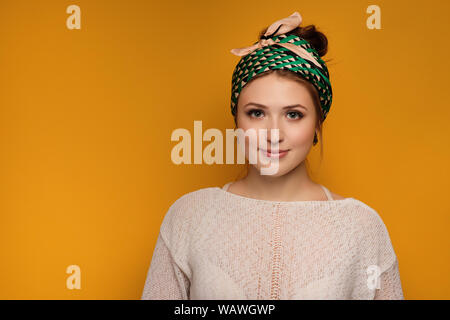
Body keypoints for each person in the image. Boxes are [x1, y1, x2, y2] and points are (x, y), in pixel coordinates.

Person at [141, 11, 404, 300]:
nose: (273, 133)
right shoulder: (188, 218)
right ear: (237, 120)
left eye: (293, 114)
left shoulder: (362, 228)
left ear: (318, 123)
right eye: (257, 113)